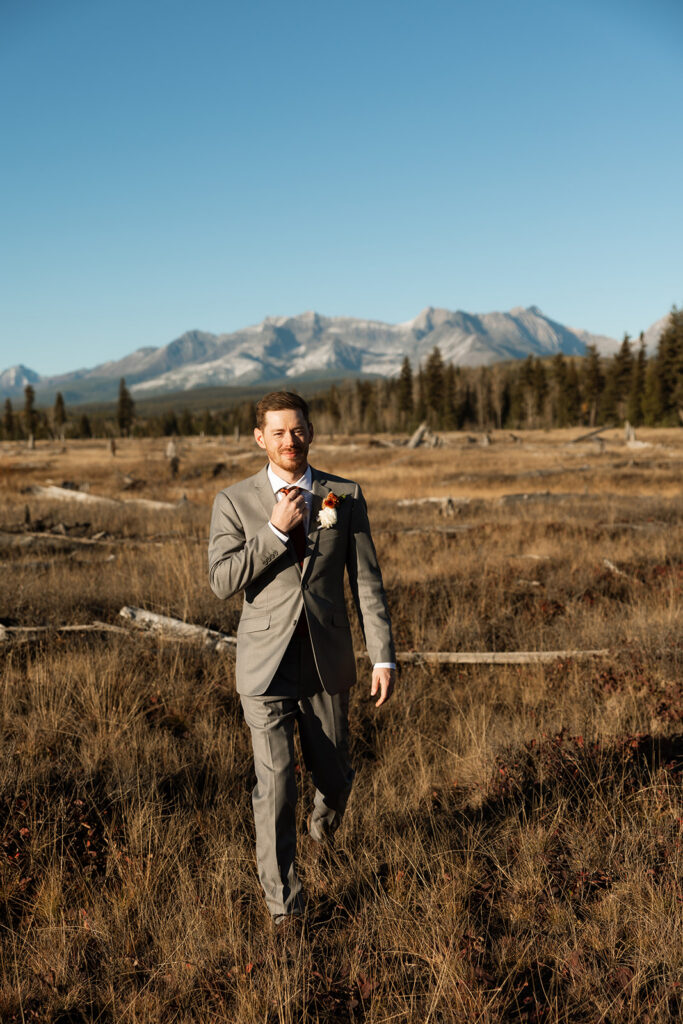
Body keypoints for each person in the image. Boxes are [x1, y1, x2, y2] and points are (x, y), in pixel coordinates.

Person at [208, 391, 395, 926]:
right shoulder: (235, 500)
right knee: (277, 782)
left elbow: (366, 583)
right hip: (264, 668)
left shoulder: (345, 494)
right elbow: (221, 580)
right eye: (279, 432)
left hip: (325, 659)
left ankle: (323, 826)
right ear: (259, 438)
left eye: (299, 430)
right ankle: (285, 909)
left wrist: (383, 656)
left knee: (335, 777)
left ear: (310, 432)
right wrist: (272, 532)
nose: (290, 441)